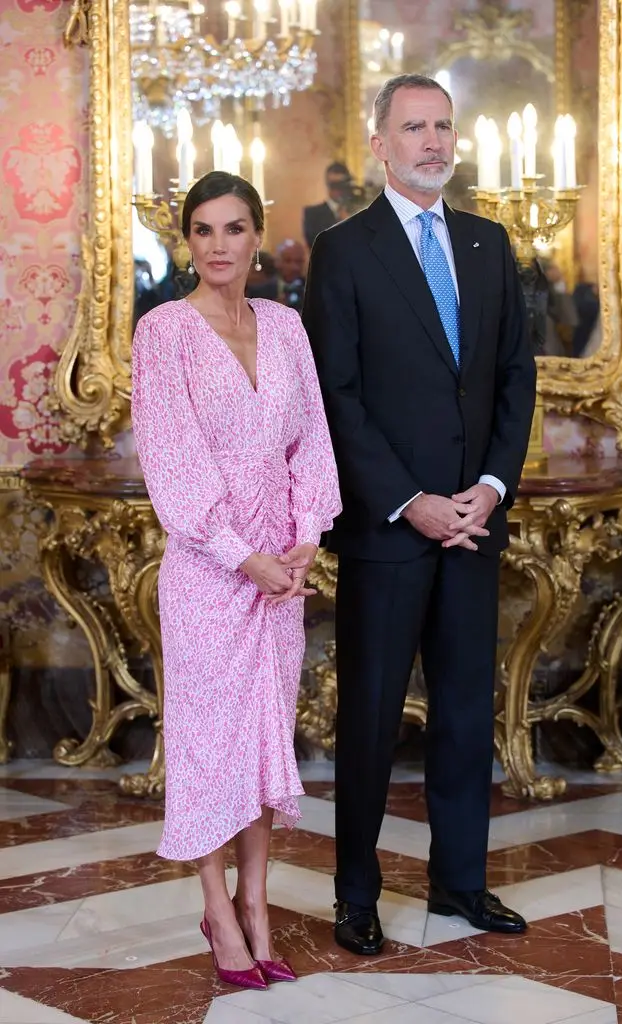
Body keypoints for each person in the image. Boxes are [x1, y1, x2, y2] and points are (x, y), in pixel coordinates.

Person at [302, 74, 536, 956]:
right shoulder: (344, 250)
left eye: (443, 126)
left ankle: (460, 884)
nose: (433, 142)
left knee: (466, 714)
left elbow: (516, 375)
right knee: (367, 718)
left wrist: (489, 487)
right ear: (381, 144)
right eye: (414, 128)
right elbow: (338, 395)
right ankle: (355, 895)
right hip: (387, 531)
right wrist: (411, 502)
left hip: (474, 525)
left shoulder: (486, 242)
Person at [131, 171, 341, 989]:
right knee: (209, 747)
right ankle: (216, 908)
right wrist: (240, 554)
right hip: (208, 576)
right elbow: (172, 462)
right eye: (203, 231)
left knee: (261, 745)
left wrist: (306, 541)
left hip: (280, 576)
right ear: (187, 242)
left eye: (234, 229)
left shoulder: (286, 327)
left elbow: (312, 442)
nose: (218, 246)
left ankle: (258, 907)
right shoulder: (165, 333)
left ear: (258, 237)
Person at [302, 162, 355, 248]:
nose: (338, 189)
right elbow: (315, 246)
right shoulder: (312, 214)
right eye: (334, 185)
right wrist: (342, 224)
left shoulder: (358, 210)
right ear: (327, 184)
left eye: (341, 185)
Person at [275, 239, 307, 312]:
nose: (294, 267)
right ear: (277, 261)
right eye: (288, 261)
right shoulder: (263, 289)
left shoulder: (311, 289)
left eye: (299, 261)